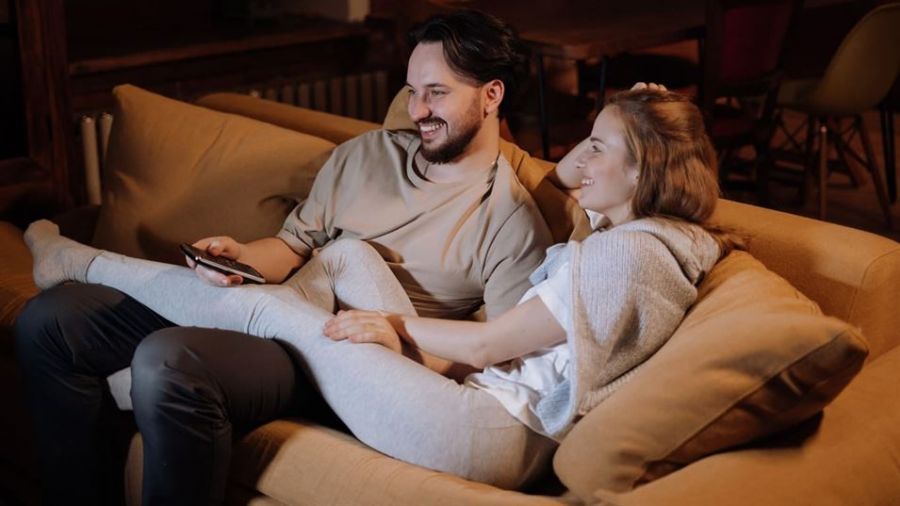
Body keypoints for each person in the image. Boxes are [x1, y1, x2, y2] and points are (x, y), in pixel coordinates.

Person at [21, 84, 735, 496]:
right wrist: (632, 110)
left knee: (269, 308)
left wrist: (395, 329)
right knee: (348, 253)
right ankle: (232, 323)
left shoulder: (629, 255)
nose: (582, 159)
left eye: (601, 146)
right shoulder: (632, 233)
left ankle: (78, 264)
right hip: (489, 403)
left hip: (489, 433)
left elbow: (491, 342)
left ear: (642, 172)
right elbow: (568, 176)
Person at [14, 10, 555, 506]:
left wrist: (403, 344)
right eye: (412, 91)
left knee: (170, 360)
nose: (417, 111)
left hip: (338, 360)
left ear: (491, 95)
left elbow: (496, 355)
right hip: (282, 299)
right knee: (54, 319)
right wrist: (239, 256)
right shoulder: (366, 156)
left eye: (436, 93)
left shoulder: (509, 222)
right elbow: (292, 248)